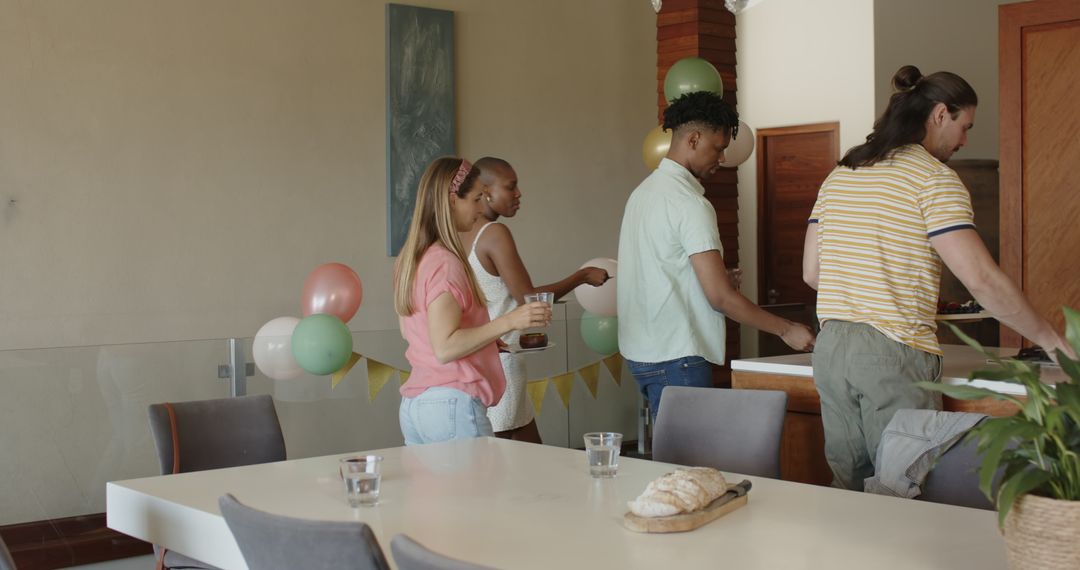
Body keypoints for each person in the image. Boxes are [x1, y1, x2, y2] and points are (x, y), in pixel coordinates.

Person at [803, 65, 1073, 490]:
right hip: (892, 352)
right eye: (965, 126)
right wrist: (1053, 342)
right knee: (900, 491)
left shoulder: (841, 175)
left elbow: (813, 273)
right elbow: (981, 279)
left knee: (849, 494)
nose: (965, 140)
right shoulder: (933, 180)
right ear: (940, 114)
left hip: (832, 349)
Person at [618, 91, 816, 420]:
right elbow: (721, 299)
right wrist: (785, 330)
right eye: (719, 147)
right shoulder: (690, 204)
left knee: (674, 463)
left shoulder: (643, 194)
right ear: (694, 139)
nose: (722, 158)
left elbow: (659, 272)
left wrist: (714, 279)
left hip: (642, 354)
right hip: (678, 355)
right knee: (691, 468)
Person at [393, 157, 552, 445]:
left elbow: (413, 333)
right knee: (481, 491)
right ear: (453, 200)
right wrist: (511, 320)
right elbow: (445, 347)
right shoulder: (446, 262)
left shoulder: (411, 259)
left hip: (416, 406)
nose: (481, 208)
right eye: (477, 198)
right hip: (452, 403)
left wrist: (485, 340)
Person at [459, 157, 610, 443]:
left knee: (530, 453)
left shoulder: (463, 234)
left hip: (481, 358)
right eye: (511, 187)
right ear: (486, 191)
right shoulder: (494, 234)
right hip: (502, 360)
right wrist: (581, 276)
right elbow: (528, 298)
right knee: (503, 458)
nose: (519, 194)